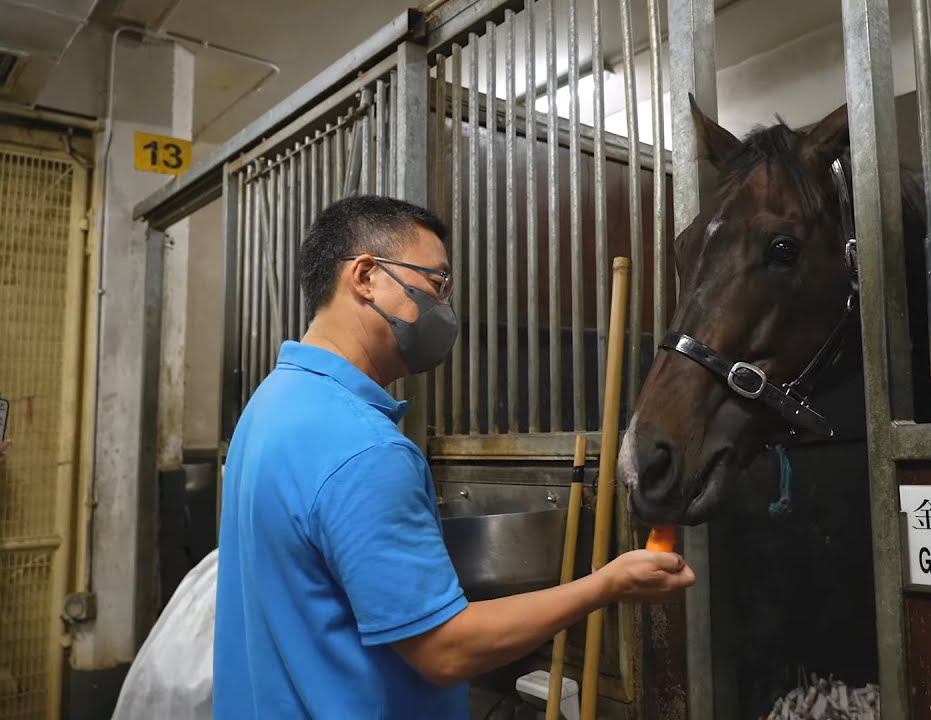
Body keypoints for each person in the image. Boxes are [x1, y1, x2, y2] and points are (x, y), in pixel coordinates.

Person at [212, 195, 695, 719]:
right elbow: (445, 649)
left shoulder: (272, 404)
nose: (443, 308)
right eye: (436, 282)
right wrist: (609, 583)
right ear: (366, 276)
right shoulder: (364, 448)